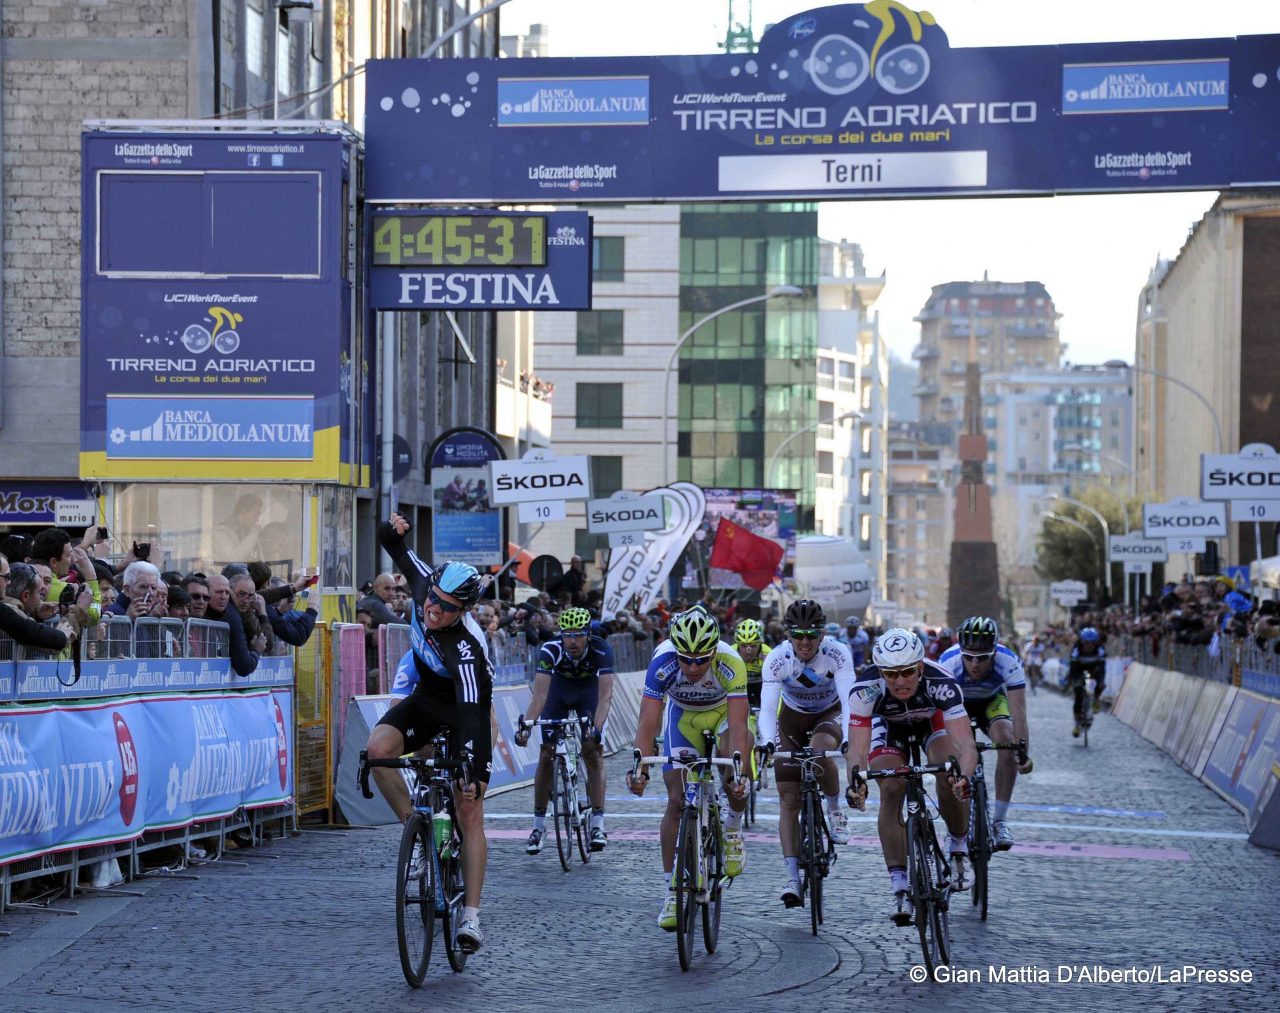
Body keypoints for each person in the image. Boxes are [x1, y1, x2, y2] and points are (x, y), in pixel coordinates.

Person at [364, 512, 492, 953]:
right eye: (432, 599)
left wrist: (472, 769)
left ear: (466, 611)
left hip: (463, 708)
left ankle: (471, 917)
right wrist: (393, 527)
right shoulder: (424, 586)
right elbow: (391, 545)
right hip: (426, 695)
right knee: (377, 751)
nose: (432, 609)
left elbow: (474, 714)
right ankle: (415, 833)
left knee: (469, 807)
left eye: (446, 608)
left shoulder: (469, 648)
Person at [627, 607, 750, 931]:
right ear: (676, 652)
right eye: (687, 659)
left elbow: (738, 726)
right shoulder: (663, 662)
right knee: (676, 799)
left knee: (734, 762)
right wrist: (639, 766)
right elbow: (649, 721)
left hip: (722, 716)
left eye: (701, 659)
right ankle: (672, 889)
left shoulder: (730, 662)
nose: (693, 667)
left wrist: (738, 772)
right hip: (684, 719)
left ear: (713, 652)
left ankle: (733, 827)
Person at [845, 628, 976, 926]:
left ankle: (957, 847)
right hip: (889, 728)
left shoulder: (941, 682)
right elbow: (856, 749)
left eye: (907, 672)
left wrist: (964, 776)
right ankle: (899, 882)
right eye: (891, 674)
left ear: (920, 666)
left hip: (932, 722)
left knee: (947, 768)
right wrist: (856, 782)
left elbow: (965, 744)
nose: (900, 681)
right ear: (881, 671)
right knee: (891, 787)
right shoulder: (865, 689)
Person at [757, 599, 856, 907]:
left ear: (822, 635)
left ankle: (834, 809)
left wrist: (848, 740)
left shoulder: (838, 654)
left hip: (830, 713)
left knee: (820, 750)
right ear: (788, 634)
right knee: (788, 797)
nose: (804, 642)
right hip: (792, 718)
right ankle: (792, 878)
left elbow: (849, 699)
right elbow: (769, 709)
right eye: (798, 634)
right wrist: (768, 741)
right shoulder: (777, 659)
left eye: (811, 635)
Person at [514, 607, 616, 854]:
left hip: (588, 693)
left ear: (588, 635)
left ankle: (598, 824)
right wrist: (526, 727)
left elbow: (605, 697)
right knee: (546, 754)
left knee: (593, 751)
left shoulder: (602, 650)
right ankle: (538, 826)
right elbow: (539, 697)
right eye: (567, 635)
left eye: (578, 635)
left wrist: (597, 728)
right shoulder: (551, 650)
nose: (572, 640)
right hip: (558, 693)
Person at [938, 616, 1033, 851]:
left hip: (991, 702)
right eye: (968, 657)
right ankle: (956, 826)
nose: (974, 665)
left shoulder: (1009, 661)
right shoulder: (948, 664)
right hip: (957, 705)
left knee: (1006, 741)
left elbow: (1019, 714)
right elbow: (939, 714)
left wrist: (1021, 752)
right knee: (954, 754)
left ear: (994, 652)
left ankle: (1000, 820)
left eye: (982, 658)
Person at [1067, 626, 1107, 735]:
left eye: (1092, 643)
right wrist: (1073, 681)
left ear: (1096, 642)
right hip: (1079, 668)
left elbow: (1102, 668)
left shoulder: (1100, 649)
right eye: (1086, 643)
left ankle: (1096, 700)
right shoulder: (1076, 649)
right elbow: (1072, 668)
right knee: (1078, 695)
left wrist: (1101, 682)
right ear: (1082, 642)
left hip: (1095, 667)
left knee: (1100, 684)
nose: (1089, 646)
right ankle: (1076, 725)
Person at [732, 618, 771, 710]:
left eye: (753, 646)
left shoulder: (768, 654)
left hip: (761, 686)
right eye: (743, 646)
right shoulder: (730, 653)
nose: (748, 651)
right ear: (737, 644)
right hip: (738, 687)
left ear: (760, 644)